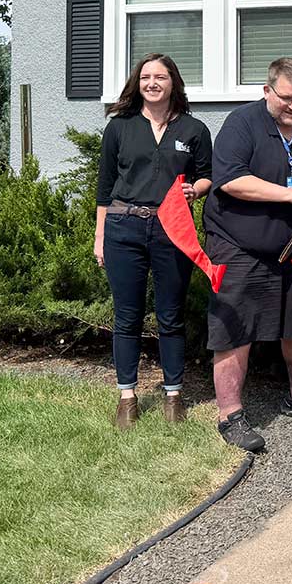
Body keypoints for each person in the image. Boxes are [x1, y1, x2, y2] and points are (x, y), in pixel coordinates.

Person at [202, 58, 292, 451]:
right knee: (235, 328)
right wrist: (291, 194)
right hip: (239, 245)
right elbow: (231, 179)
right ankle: (230, 416)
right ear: (267, 91)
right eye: (286, 98)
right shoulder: (242, 123)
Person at [95, 53, 212, 430]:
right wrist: (100, 236)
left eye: (160, 77)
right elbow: (104, 186)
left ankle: (173, 395)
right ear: (137, 83)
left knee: (170, 316)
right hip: (124, 229)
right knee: (126, 317)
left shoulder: (194, 130)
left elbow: (208, 176)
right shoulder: (120, 127)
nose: (152, 83)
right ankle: (127, 398)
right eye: (145, 77)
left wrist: (197, 189)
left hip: (171, 230)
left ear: (173, 82)